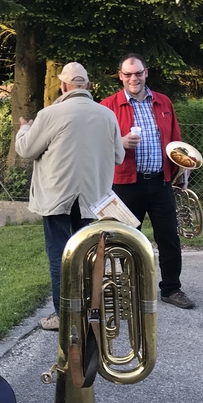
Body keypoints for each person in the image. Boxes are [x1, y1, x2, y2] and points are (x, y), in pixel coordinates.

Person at [15, 62, 125, 330]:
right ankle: (90, 310)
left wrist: (24, 129)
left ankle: (63, 315)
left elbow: (26, 150)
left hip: (57, 199)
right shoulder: (107, 115)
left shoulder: (50, 114)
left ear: (63, 86)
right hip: (93, 199)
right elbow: (119, 156)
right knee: (89, 255)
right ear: (87, 86)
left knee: (60, 256)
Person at [100, 53, 195, 309]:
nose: (134, 78)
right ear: (120, 76)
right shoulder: (107, 106)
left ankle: (172, 289)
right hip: (124, 183)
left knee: (169, 239)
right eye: (128, 74)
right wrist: (119, 143)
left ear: (146, 73)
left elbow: (176, 140)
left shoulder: (163, 102)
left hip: (160, 182)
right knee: (128, 240)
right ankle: (131, 289)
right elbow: (95, 146)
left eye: (138, 73)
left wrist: (182, 170)